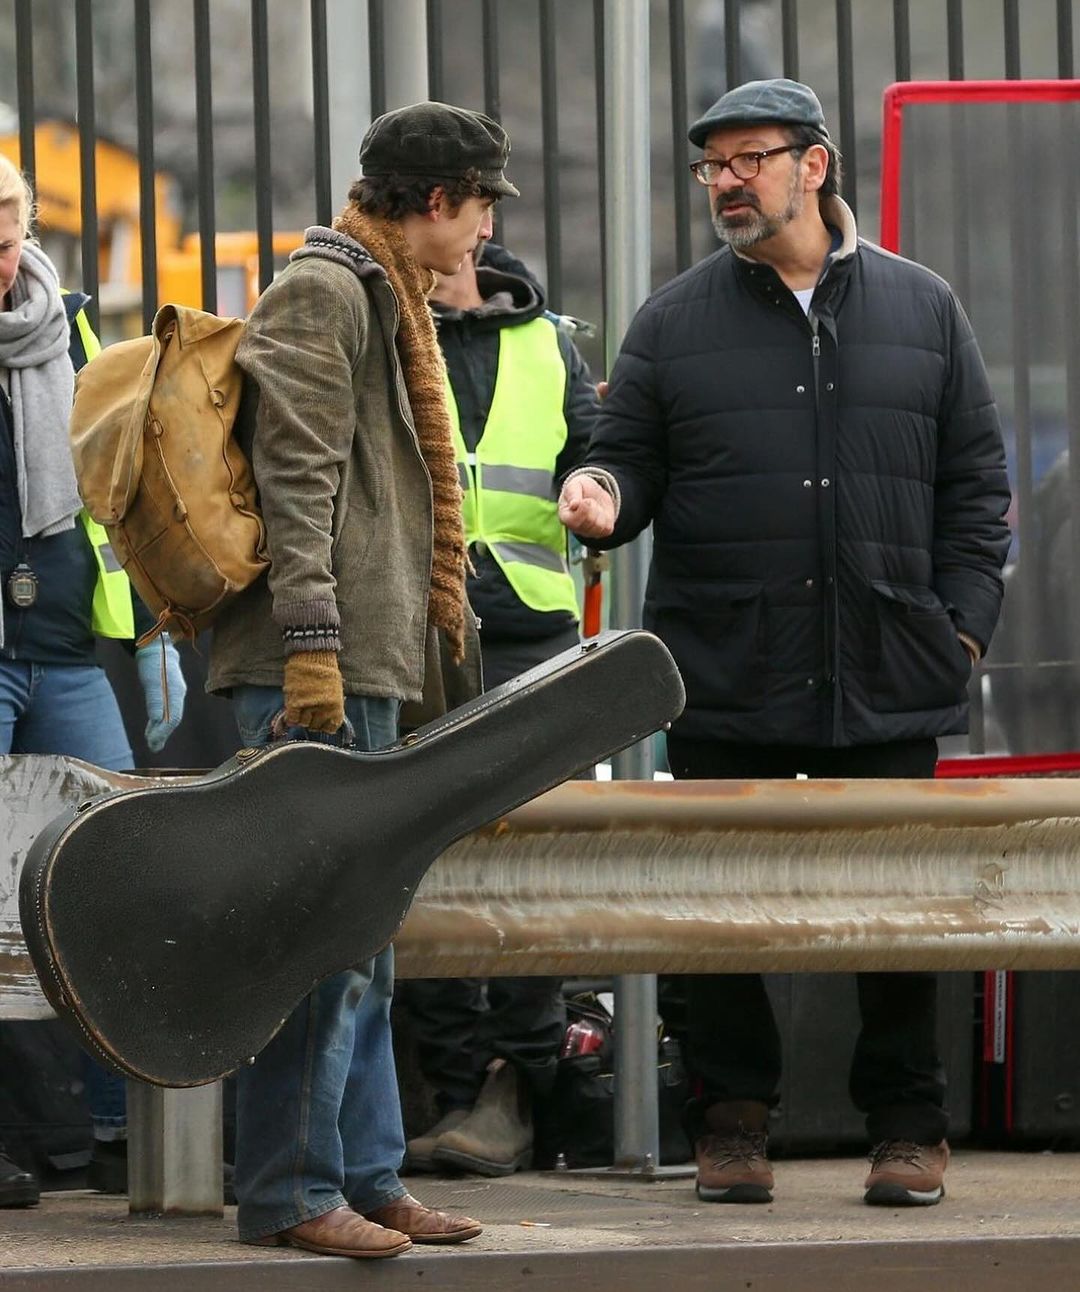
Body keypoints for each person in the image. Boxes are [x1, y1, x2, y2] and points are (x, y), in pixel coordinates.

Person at [558, 78, 1010, 1208]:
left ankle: (907, 1129)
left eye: (748, 159)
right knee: (718, 916)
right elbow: (629, 456)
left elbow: (976, 485)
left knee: (898, 918)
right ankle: (730, 1124)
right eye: (712, 165)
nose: (726, 182)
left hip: (891, 665)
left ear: (815, 165)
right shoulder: (673, 321)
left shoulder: (924, 307)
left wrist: (958, 632)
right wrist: (603, 492)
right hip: (726, 666)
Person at [206, 101, 521, 1259]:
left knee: (365, 947)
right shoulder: (325, 291)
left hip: (363, 665)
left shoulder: (388, 294)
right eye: (481, 204)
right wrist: (310, 651)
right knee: (316, 946)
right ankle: (291, 1189)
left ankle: (369, 1174)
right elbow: (296, 476)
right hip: (317, 673)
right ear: (436, 199)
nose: (486, 229)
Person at [0, 153, 186, 1207]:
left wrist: (154, 626)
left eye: (6, 239)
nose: (0, 263)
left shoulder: (62, 327)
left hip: (68, 643)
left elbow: (116, 486)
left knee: (116, 871)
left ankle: (125, 1129)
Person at [401, 242, 599, 1177]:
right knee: (426, 860)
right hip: (420, 632)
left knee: (533, 862)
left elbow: (597, 453)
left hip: (530, 632)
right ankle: (453, 1087)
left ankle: (515, 1083)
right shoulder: (384, 329)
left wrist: (595, 487)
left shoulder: (547, 342)